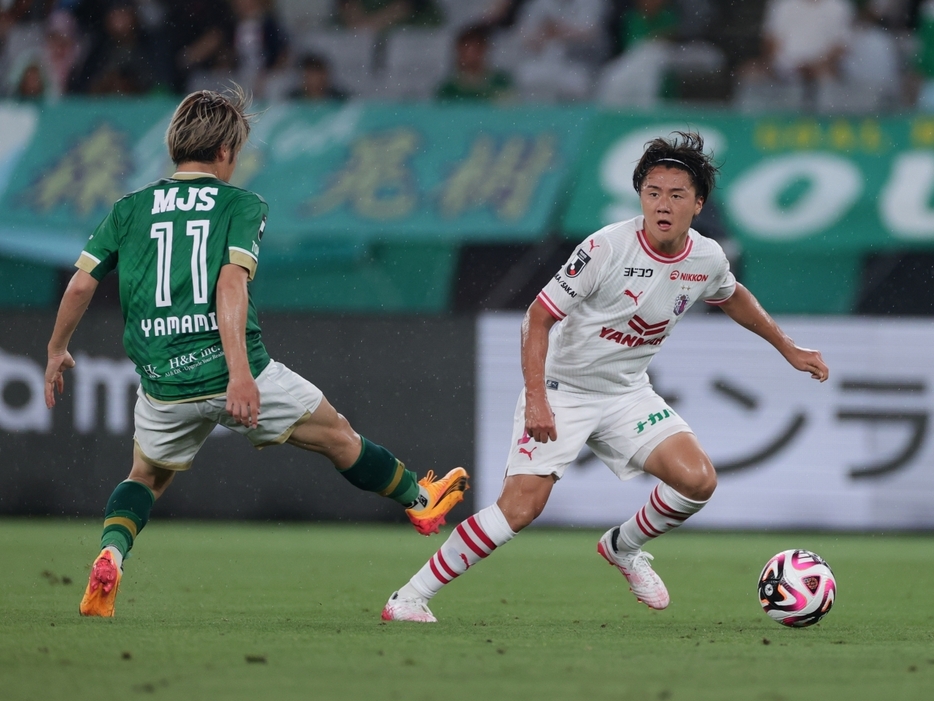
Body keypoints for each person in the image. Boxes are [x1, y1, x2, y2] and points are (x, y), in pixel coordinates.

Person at [44, 87, 469, 618]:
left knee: (145, 478)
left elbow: (82, 284)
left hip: (162, 382)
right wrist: (240, 377)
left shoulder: (129, 209)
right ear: (225, 152)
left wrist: (57, 348)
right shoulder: (241, 204)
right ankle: (417, 500)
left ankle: (112, 552)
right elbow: (229, 285)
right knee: (337, 434)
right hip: (236, 370)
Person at [381, 131, 829, 623]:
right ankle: (409, 597)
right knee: (519, 510)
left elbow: (733, 294)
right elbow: (538, 316)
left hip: (625, 393)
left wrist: (788, 347)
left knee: (697, 480)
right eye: (653, 192)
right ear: (640, 196)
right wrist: (537, 398)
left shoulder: (706, 258)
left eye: (677, 195)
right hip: (561, 389)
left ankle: (623, 546)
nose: (663, 204)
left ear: (698, 204)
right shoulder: (605, 248)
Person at [436, 24, 514, 102]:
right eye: (464, 50)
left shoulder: (500, 82)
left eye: (473, 50)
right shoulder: (449, 89)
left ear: (483, 50)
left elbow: (510, 107)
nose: (469, 55)